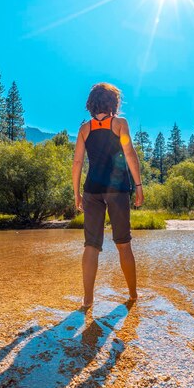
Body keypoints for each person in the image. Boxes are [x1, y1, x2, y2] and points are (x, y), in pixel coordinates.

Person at [72, 82, 144, 309]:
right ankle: (132, 296)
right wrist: (139, 185)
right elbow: (130, 154)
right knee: (123, 244)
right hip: (117, 190)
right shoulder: (120, 124)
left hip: (91, 191)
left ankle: (88, 300)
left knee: (91, 246)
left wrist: (76, 194)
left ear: (92, 104)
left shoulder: (85, 129)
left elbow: (77, 163)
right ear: (113, 102)